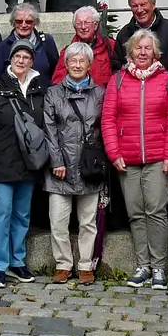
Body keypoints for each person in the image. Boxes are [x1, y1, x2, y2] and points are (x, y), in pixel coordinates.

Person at [101, 29, 168, 290]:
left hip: (159, 157)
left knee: (156, 211)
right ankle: (142, 266)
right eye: (138, 48)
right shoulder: (118, 81)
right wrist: (114, 153)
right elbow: (108, 119)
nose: (143, 52)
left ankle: (158, 267)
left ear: (156, 52)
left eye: (148, 48)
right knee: (135, 213)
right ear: (130, 52)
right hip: (128, 158)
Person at [0, 39, 48, 288]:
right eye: (17, 56)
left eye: (26, 57)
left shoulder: (39, 87)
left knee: (22, 216)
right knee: (1, 214)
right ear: (10, 59)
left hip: (28, 164)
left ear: (32, 61)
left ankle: (17, 261)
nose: (21, 61)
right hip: (1, 164)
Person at [44, 41, 106, 284]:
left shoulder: (100, 94)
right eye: (73, 61)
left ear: (89, 64)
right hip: (59, 167)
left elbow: (103, 129)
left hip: (88, 167)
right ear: (66, 64)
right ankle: (63, 264)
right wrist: (57, 162)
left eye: (82, 61)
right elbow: (49, 131)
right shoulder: (53, 93)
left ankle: (85, 264)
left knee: (88, 222)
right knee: (58, 221)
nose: (78, 65)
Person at [0, 2, 60, 78]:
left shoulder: (47, 41)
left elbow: (56, 71)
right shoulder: (4, 46)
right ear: (13, 23)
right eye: (19, 21)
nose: (23, 25)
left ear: (35, 23)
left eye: (28, 22)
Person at [53, 6, 116, 87]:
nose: (83, 27)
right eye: (79, 23)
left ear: (96, 25)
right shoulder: (67, 52)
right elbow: (58, 83)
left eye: (87, 22)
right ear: (74, 27)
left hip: (103, 97)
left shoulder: (110, 46)